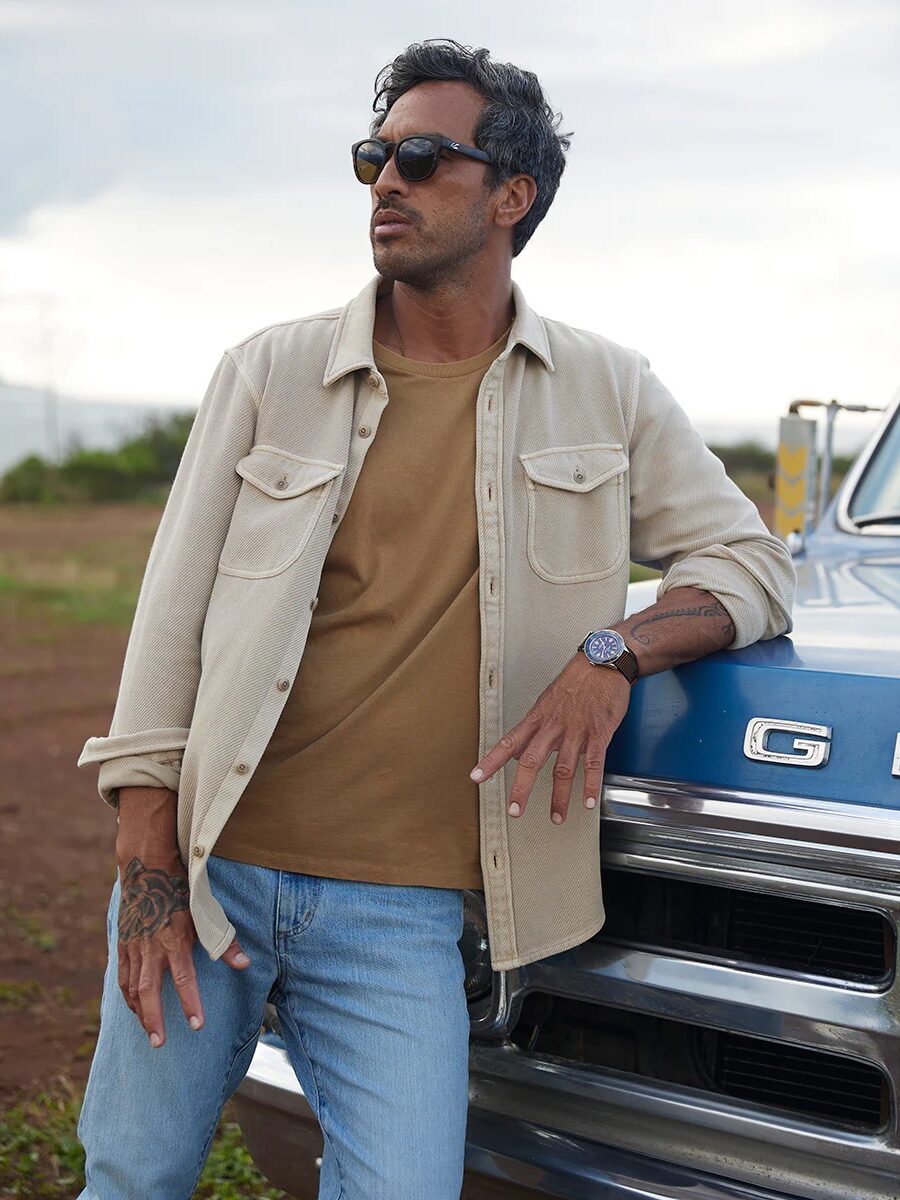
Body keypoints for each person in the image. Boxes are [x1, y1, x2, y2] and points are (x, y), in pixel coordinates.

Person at [74, 37, 796, 1200]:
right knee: (132, 1175)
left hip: (403, 915)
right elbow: (170, 626)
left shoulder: (606, 388)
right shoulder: (269, 372)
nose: (384, 184)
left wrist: (613, 650)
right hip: (215, 876)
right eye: (373, 156)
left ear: (512, 196)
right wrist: (147, 865)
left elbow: (751, 560)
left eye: (420, 156)